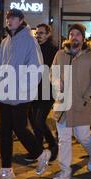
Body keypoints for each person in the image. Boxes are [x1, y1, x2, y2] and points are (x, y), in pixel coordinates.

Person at [0, 8, 51, 179]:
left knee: (20, 128)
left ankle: (41, 153)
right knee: (4, 132)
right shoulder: (5, 41)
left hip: (21, 95)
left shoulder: (29, 40)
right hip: (4, 93)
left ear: (21, 20)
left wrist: (24, 88)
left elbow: (37, 68)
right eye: (8, 18)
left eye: (13, 18)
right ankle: (6, 169)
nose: (10, 21)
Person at [50, 23, 91, 179]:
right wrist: (56, 83)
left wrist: (87, 97)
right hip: (63, 105)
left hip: (82, 105)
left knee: (83, 137)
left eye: (78, 34)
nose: (74, 37)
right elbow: (53, 73)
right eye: (72, 34)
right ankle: (65, 171)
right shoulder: (60, 54)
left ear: (83, 37)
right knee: (64, 139)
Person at [29, 23, 58, 162]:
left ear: (48, 34)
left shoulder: (54, 50)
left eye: (41, 33)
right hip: (34, 90)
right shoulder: (34, 48)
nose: (38, 35)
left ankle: (52, 145)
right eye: (37, 33)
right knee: (35, 122)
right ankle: (38, 150)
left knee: (39, 121)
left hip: (48, 90)